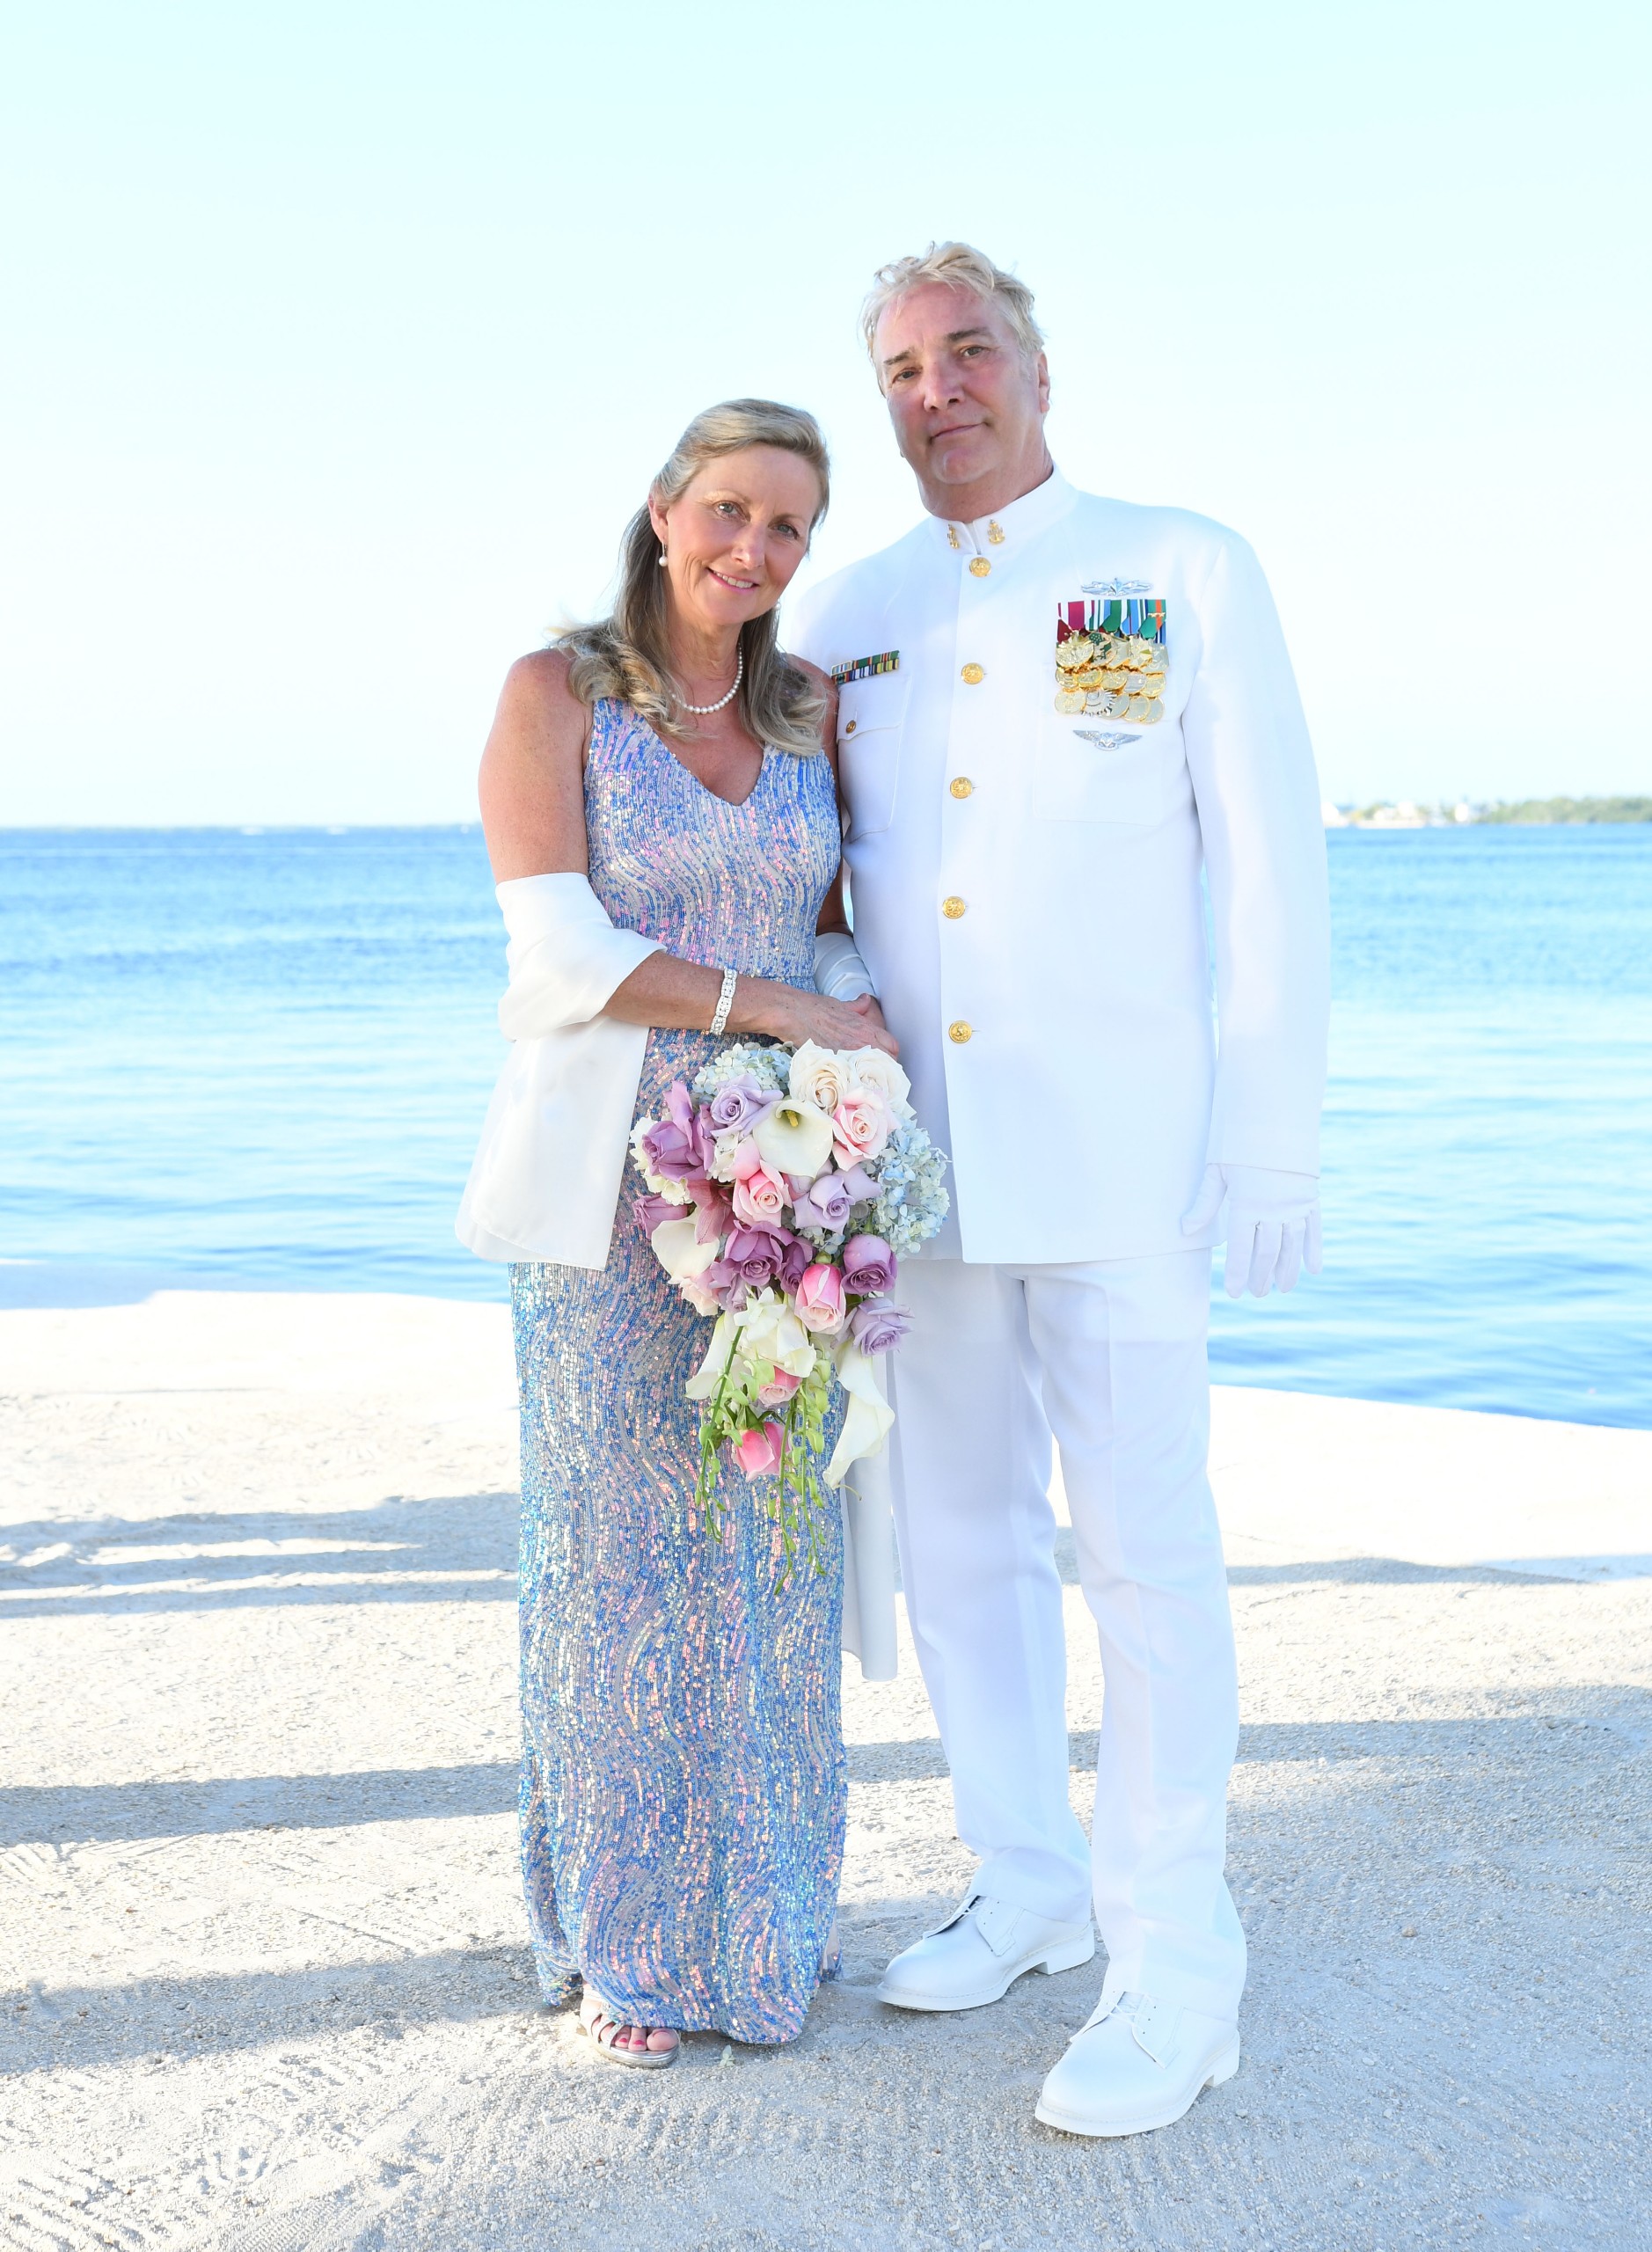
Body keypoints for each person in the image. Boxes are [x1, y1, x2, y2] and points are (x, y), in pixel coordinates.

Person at [790, 244, 1330, 2137]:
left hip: (1119, 1151)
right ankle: (1023, 1874)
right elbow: (817, 875)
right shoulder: (843, 609)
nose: (940, 388)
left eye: (970, 350)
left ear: (1036, 362)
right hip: (921, 1158)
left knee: (1147, 1553)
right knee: (961, 1540)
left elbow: (1267, 868)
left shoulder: (1180, 567)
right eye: (904, 370)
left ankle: (1175, 1957)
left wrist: (1272, 1133)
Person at [457, 399, 895, 2067]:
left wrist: (841, 1099)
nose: (753, 552)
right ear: (660, 513)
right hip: (604, 1196)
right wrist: (781, 1004)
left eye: (788, 528)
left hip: (783, 1185)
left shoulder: (808, 712)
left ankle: (767, 1929)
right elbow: (555, 954)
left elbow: (853, 934)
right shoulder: (552, 693)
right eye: (726, 512)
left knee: (767, 1559)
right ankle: (627, 1953)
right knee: (613, 1572)